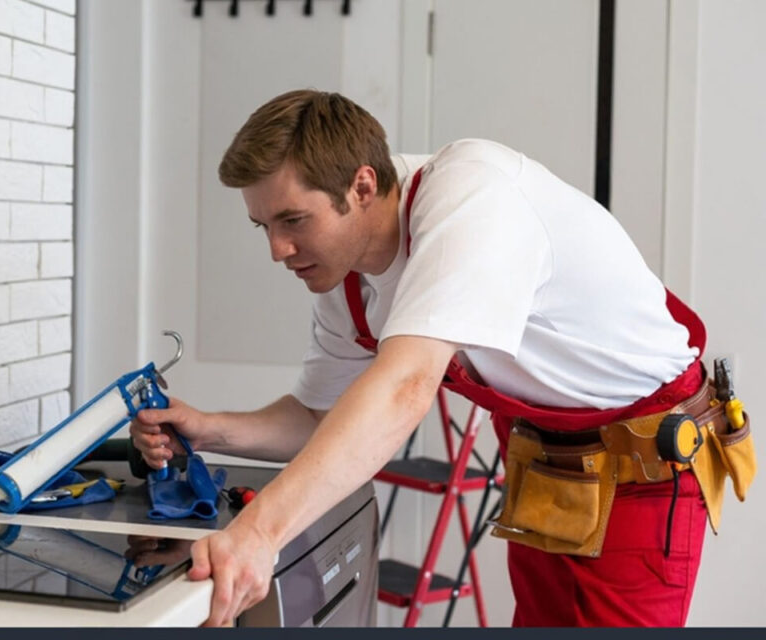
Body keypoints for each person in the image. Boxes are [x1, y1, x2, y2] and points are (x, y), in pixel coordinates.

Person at [129, 89, 753, 627]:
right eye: (262, 226)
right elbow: (319, 416)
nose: (277, 248)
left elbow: (404, 389)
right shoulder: (348, 280)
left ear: (362, 186)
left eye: (293, 219)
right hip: (554, 469)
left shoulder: (472, 199)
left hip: (643, 466)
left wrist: (260, 532)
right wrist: (209, 429)